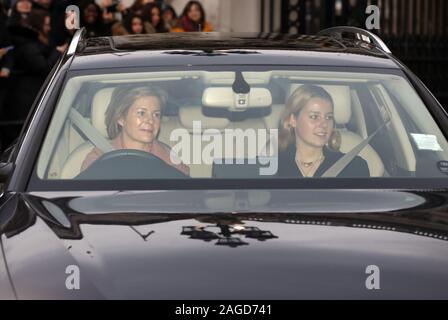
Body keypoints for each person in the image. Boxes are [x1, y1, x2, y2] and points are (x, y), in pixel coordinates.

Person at [81, 86, 190, 176]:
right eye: (141, 113)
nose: (150, 120)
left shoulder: (169, 158)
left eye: (156, 114)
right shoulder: (99, 158)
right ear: (121, 118)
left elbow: (185, 196)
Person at [277, 84, 369, 178]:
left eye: (328, 117)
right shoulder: (273, 165)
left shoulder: (354, 166)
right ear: (293, 120)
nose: (324, 124)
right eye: (314, 117)